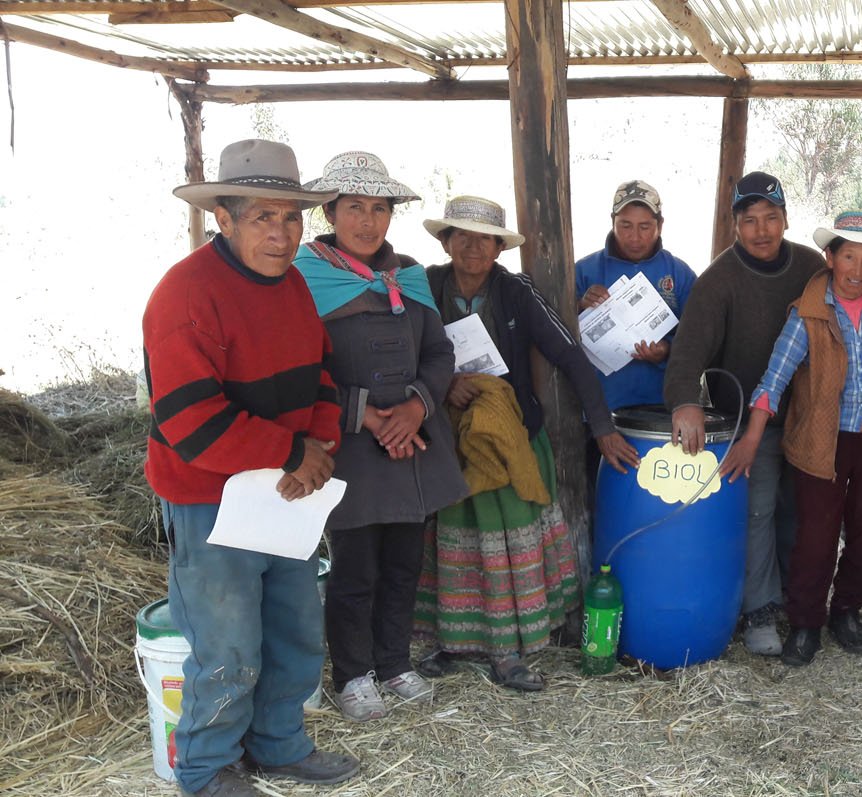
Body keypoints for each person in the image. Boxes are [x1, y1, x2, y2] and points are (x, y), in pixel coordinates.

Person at [144, 139, 359, 797]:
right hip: (209, 496)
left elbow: (322, 375)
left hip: (285, 491)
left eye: (291, 218)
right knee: (227, 642)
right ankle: (206, 768)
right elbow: (192, 422)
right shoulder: (185, 295)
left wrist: (317, 449)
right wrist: (292, 453)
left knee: (294, 629)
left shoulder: (291, 285)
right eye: (263, 217)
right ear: (224, 219)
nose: (281, 234)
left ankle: (278, 743)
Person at [413, 196, 638, 691]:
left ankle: (508, 651)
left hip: (510, 438)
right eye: (462, 236)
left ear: (499, 248)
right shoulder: (425, 287)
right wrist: (445, 383)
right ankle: (452, 642)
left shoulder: (515, 292)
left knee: (505, 545)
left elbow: (570, 355)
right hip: (449, 440)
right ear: (446, 242)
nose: (474, 248)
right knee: (454, 541)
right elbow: (405, 354)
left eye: (485, 239)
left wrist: (602, 427)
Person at [293, 152, 468, 722]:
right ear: (329, 212)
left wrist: (416, 407)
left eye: (378, 209)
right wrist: (365, 415)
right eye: (353, 208)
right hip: (350, 449)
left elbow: (439, 353)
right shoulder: (304, 280)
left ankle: (393, 662)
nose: (367, 221)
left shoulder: (409, 277)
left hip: (411, 446)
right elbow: (301, 369)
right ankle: (353, 674)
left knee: (402, 564)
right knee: (355, 569)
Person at [722, 212, 862, 666]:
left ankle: (847, 610)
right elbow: (774, 379)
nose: (858, 270)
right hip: (821, 441)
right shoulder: (807, 311)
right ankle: (806, 621)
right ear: (830, 258)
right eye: (849, 257)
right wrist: (751, 438)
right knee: (815, 538)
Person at [662, 171, 826, 656]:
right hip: (748, 424)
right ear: (735, 225)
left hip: (811, 417)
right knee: (758, 512)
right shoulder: (719, 280)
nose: (761, 230)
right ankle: (759, 609)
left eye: (770, 218)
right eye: (749, 220)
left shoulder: (811, 267)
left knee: (803, 512)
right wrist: (685, 402)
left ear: (786, 220)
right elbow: (688, 351)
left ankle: (801, 602)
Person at [575, 179, 698, 410]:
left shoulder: (679, 274)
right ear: (612, 222)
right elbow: (556, 332)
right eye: (625, 225)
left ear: (660, 225)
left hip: (662, 405)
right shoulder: (583, 271)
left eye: (645, 227)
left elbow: (698, 337)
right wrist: (579, 305)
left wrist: (666, 350)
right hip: (599, 408)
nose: (634, 237)